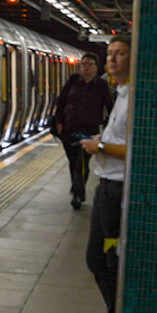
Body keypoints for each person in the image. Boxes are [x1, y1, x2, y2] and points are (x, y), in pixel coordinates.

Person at [77, 34, 132, 313]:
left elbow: (138, 147)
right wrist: (102, 142)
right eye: (110, 53)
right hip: (106, 189)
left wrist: (101, 146)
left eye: (121, 54)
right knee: (97, 257)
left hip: (118, 194)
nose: (113, 59)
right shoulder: (121, 94)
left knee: (109, 256)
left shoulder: (133, 97)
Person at [53, 52, 114, 209]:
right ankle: (78, 189)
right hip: (69, 129)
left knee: (82, 161)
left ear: (96, 67)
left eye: (89, 65)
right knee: (73, 161)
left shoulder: (101, 85)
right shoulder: (73, 81)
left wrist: (109, 128)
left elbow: (109, 106)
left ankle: (77, 194)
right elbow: (61, 101)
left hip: (89, 131)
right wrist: (59, 121)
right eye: (83, 64)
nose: (86, 68)